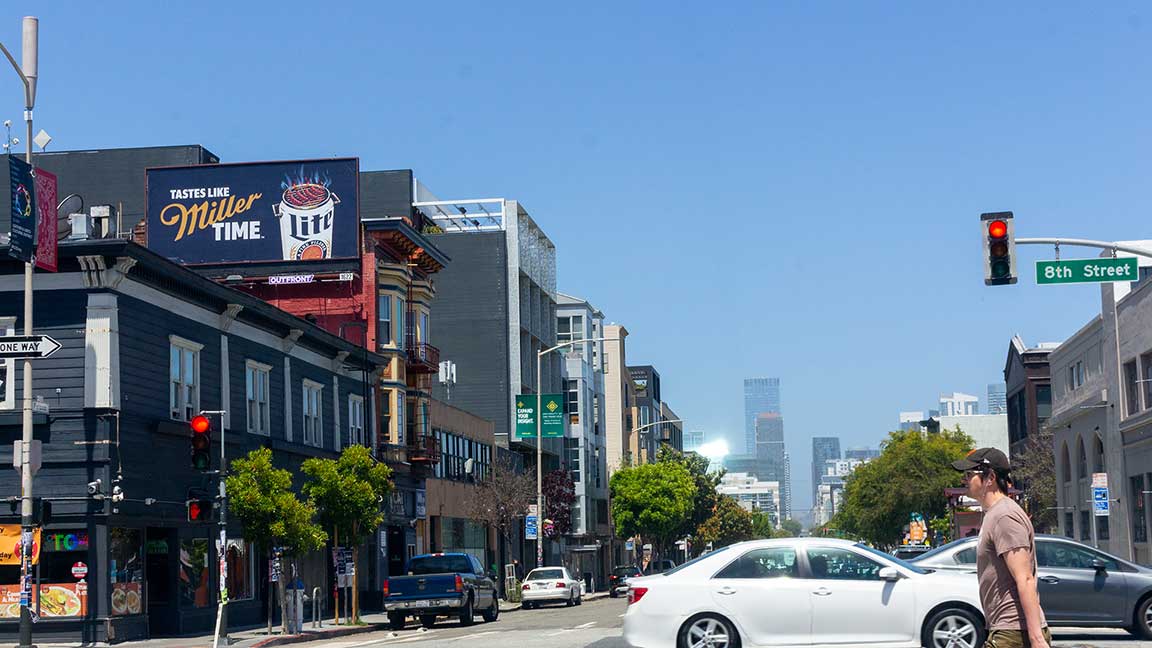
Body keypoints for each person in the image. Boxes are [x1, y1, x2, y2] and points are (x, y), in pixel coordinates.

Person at [952, 447, 1050, 648]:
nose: (964, 479)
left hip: (1014, 631)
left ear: (990, 478)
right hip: (1006, 629)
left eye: (970, 474)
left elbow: (1025, 578)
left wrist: (1037, 639)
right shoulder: (993, 514)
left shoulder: (1005, 516)